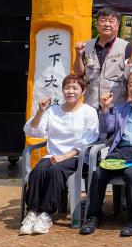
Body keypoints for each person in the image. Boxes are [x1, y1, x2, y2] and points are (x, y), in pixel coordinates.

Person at [81, 71, 132, 237]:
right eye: (131, 84)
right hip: (119, 152)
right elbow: (106, 131)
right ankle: (93, 217)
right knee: (98, 174)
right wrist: (105, 109)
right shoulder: (120, 109)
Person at [20, 75, 99, 235]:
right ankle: (32, 212)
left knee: (55, 171)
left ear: (82, 91)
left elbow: (89, 139)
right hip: (53, 156)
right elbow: (31, 130)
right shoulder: (53, 111)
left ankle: (46, 214)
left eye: (75, 88)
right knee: (39, 170)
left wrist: (65, 156)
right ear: (62, 90)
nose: (70, 91)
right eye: (67, 88)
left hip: (78, 157)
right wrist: (40, 112)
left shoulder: (89, 112)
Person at [73, 7, 130, 111]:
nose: (106, 24)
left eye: (111, 21)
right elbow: (79, 73)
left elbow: (131, 78)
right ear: (97, 24)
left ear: (117, 25)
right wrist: (78, 55)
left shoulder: (126, 47)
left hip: (115, 106)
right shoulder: (87, 45)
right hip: (91, 105)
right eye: (103, 21)